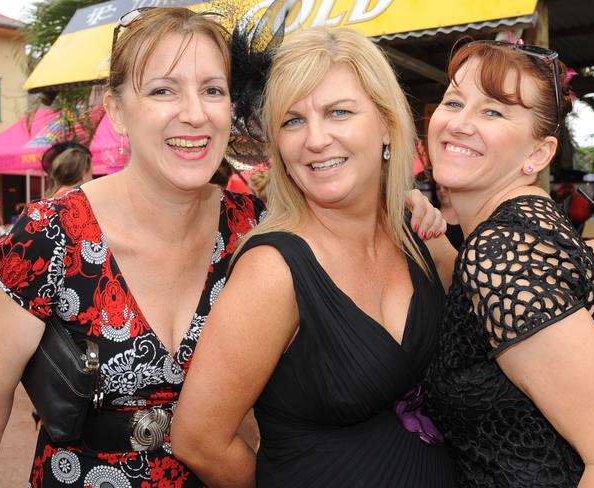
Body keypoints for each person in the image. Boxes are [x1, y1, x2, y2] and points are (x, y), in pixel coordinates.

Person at [0, 8, 442, 488]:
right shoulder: (47, 237)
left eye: (212, 90)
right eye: (162, 90)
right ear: (115, 110)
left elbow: (339, 218)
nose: (193, 113)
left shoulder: (252, 225)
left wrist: (393, 196)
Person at [172, 27, 458, 487]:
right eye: (292, 121)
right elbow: (198, 440)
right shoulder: (273, 271)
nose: (316, 139)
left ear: (386, 122)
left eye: (338, 112)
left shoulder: (423, 238)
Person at [423, 40, 594, 487]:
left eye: (494, 112)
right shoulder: (525, 224)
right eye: (454, 101)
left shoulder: (503, 251)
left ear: (539, 154)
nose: (460, 123)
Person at [433, 183, 463, 250]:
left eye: (446, 188)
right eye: (438, 188)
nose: (441, 191)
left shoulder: (466, 214)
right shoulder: (432, 215)